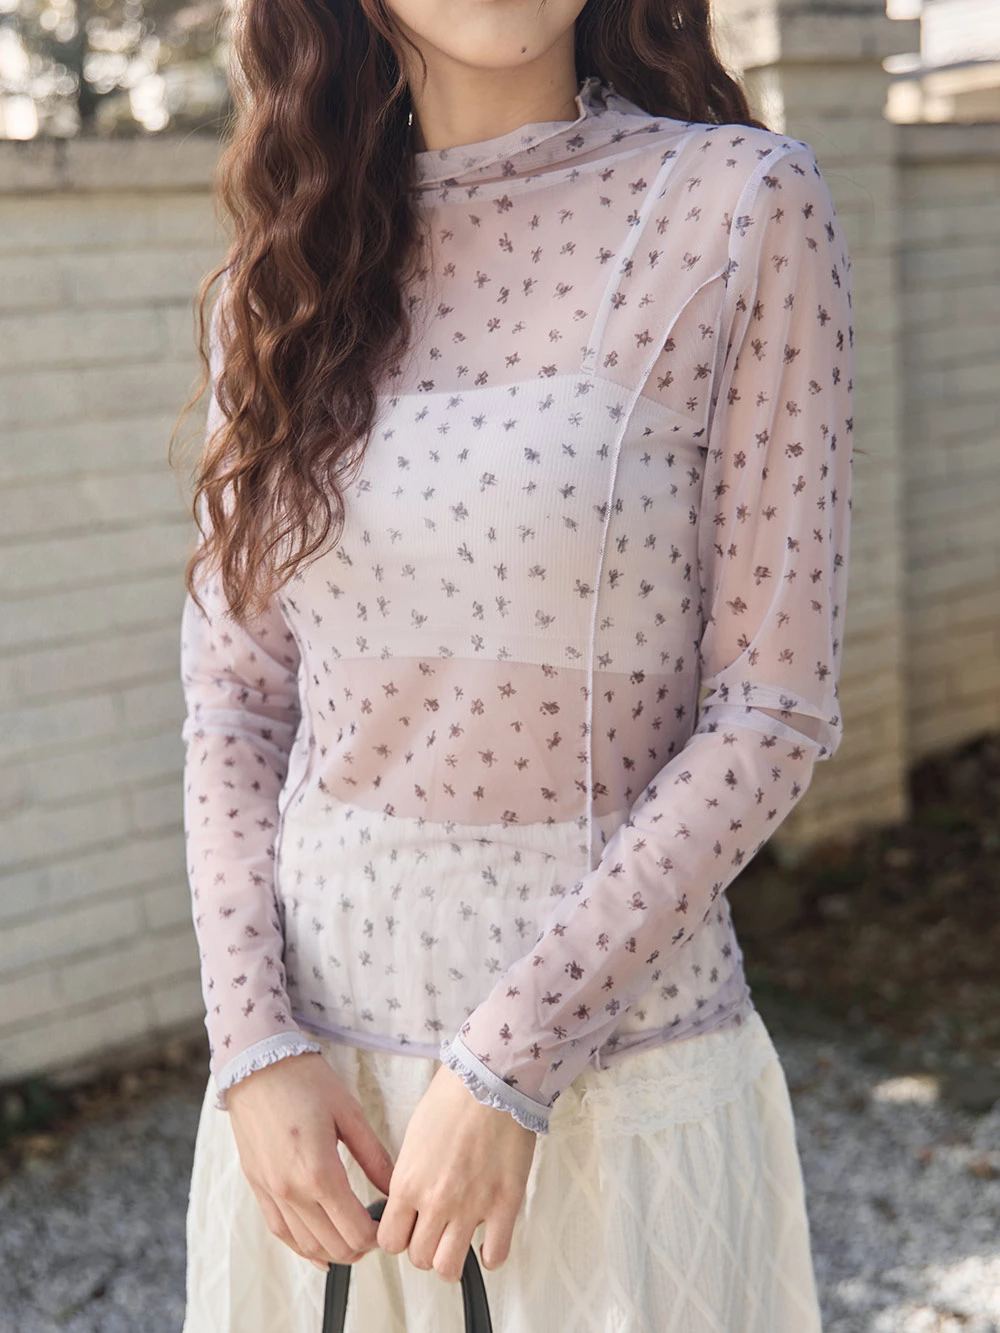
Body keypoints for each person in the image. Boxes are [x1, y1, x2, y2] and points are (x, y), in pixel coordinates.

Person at [176, 1, 853, 1328]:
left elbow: (769, 711)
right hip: (317, 1117)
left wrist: (507, 1064)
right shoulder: (284, 274)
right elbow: (239, 700)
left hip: (605, 1095)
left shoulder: (736, 207)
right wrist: (252, 1045)